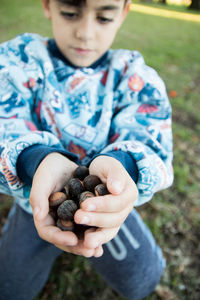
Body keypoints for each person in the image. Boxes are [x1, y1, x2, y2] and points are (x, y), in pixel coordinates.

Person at [0, 0, 174, 299]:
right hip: (35, 207)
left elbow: (150, 133)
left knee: (142, 282)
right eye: (70, 13)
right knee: (8, 290)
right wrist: (37, 160)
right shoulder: (19, 61)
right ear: (47, 5)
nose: (85, 33)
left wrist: (122, 168)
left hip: (106, 208)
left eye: (104, 17)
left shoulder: (132, 75)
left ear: (124, 12)